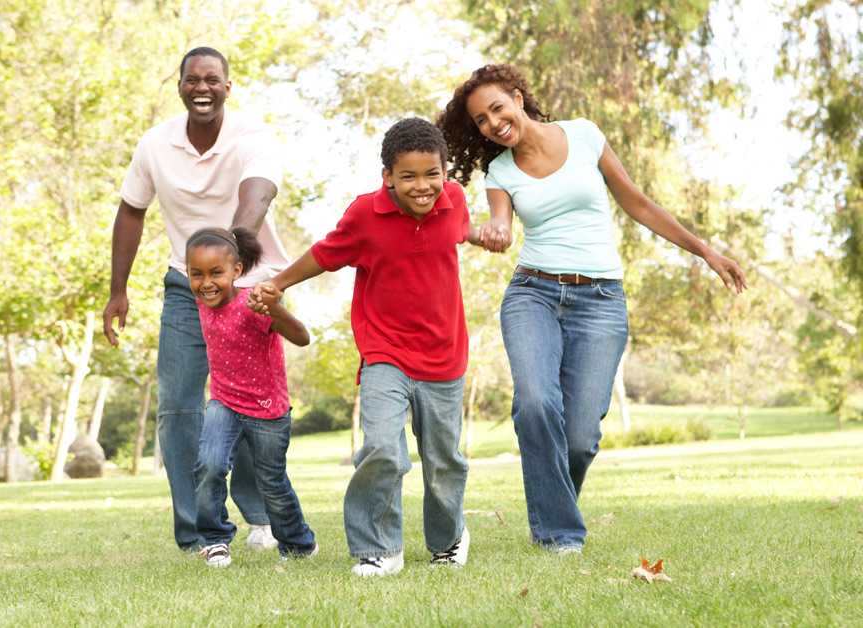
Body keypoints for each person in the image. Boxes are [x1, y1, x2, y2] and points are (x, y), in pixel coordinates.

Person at [437, 64, 747, 553]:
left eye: (497, 108)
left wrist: (705, 251)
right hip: (533, 294)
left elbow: (638, 204)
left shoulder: (583, 135)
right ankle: (560, 535)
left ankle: (555, 512)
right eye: (481, 120)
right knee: (536, 404)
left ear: (518, 97)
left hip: (601, 301)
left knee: (581, 437)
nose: (494, 123)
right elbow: (501, 227)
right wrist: (490, 233)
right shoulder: (499, 173)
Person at [250, 118, 482, 576]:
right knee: (380, 448)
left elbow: (461, 229)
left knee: (443, 461)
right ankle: (379, 548)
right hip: (385, 354)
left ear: (445, 171)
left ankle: (449, 537)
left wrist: (486, 233)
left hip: (445, 356)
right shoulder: (365, 215)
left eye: (432, 173)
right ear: (388, 178)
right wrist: (276, 283)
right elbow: (324, 253)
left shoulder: (454, 201)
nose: (423, 186)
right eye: (409, 176)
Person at [102, 46, 285, 552]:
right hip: (186, 287)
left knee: (249, 402)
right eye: (192, 80)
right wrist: (119, 289)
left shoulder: (252, 137)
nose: (201, 88)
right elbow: (131, 211)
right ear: (179, 85)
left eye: (212, 80)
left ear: (228, 86)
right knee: (179, 406)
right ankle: (200, 531)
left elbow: (259, 193)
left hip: (247, 286)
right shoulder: (155, 145)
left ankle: (261, 517)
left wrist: (231, 258)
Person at [185, 227, 317, 567]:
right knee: (209, 465)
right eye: (196, 274)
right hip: (224, 403)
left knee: (271, 482)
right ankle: (215, 539)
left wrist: (275, 310)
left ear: (237, 272)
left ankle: (299, 543)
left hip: (267, 409)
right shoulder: (200, 304)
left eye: (216, 273)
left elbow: (301, 337)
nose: (206, 283)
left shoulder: (252, 305)